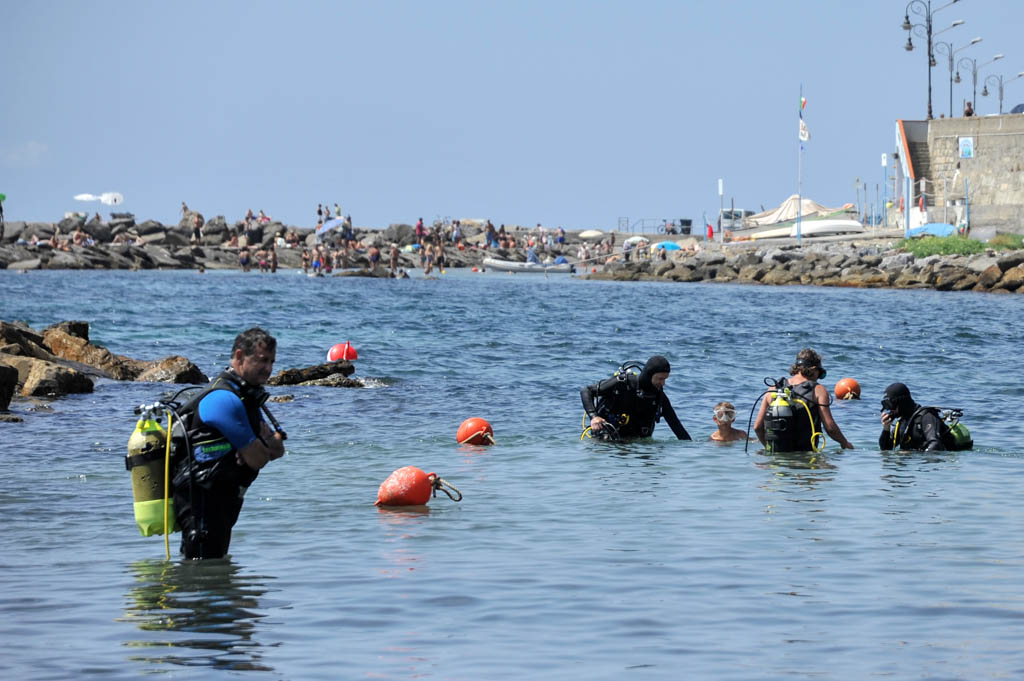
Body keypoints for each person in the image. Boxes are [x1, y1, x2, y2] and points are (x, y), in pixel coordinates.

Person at [172, 327, 285, 559]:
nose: (268, 368)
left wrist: (257, 445)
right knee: (202, 569)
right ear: (240, 356)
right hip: (202, 502)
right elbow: (259, 458)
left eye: (272, 362)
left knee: (215, 567)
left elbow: (278, 449)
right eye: (262, 360)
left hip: (222, 499)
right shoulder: (224, 399)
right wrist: (259, 445)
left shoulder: (244, 396)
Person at [754, 348, 854, 452]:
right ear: (814, 369)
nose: (818, 378)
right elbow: (830, 428)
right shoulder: (818, 390)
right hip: (805, 456)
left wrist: (770, 448)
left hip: (776, 458)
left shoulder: (773, 388)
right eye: (820, 373)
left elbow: (757, 427)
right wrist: (845, 443)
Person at [580, 356, 691, 440]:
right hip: (607, 441)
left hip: (637, 444)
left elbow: (676, 425)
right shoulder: (623, 383)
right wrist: (594, 417)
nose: (663, 383)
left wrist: (692, 447)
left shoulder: (658, 396)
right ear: (649, 374)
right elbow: (586, 391)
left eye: (665, 379)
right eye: (660, 379)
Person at [879, 382, 970, 451]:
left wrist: (911, 456)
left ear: (902, 402)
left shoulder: (926, 417)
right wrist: (886, 429)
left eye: (891, 405)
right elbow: (886, 449)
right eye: (887, 406)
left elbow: (935, 445)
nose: (890, 410)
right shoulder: (902, 422)